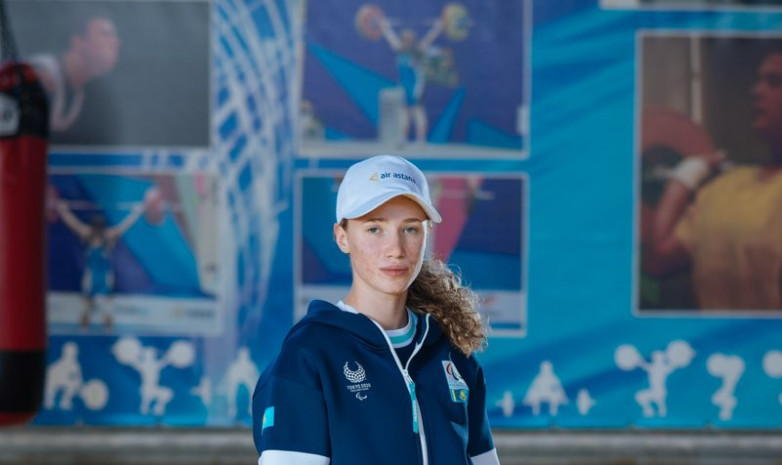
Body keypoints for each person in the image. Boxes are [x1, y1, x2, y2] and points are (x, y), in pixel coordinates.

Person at [252, 155, 499, 464]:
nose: (395, 249)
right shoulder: (308, 356)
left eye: (410, 229)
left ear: (426, 235)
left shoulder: (452, 355)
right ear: (342, 237)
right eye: (374, 229)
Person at [644, 47, 782, 310]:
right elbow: (659, 258)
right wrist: (685, 176)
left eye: (775, 82)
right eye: (759, 80)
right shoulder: (725, 185)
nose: (756, 91)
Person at [55, 199, 145, 330]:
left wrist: (136, 213)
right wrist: (63, 211)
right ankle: (83, 333)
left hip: (104, 275)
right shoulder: (87, 234)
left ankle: (107, 331)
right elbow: (73, 223)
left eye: (99, 229)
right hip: (91, 275)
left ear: (102, 228)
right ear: (93, 228)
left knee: (107, 309)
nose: (97, 231)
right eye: (95, 229)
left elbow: (125, 226)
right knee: (85, 307)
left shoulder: (108, 236)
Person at [29, 10, 121, 132]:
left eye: (114, 36)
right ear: (78, 43)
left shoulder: (85, 94)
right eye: (105, 35)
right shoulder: (39, 74)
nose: (116, 43)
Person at [379, 18, 444, 144]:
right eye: (404, 40)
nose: (406, 42)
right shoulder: (400, 50)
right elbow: (391, 37)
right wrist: (385, 27)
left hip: (415, 88)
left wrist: (437, 28)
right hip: (403, 87)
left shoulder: (417, 51)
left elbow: (429, 39)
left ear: (413, 40)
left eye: (409, 40)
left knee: (418, 112)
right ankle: (403, 139)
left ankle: (421, 140)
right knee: (404, 113)